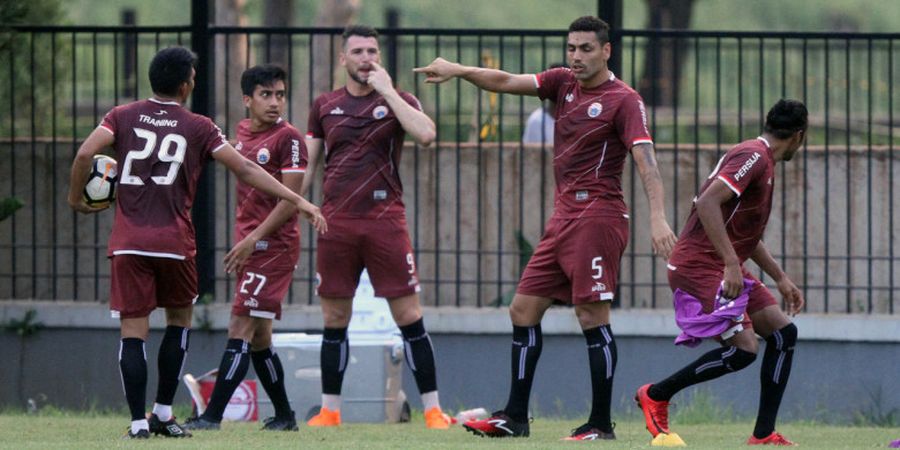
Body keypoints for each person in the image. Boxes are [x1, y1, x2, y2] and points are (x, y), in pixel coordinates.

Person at [415, 16, 677, 440]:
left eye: (586, 48)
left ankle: (600, 424)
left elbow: (646, 160)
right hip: (562, 219)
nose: (576, 56)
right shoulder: (562, 83)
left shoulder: (624, 100)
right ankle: (515, 418)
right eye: (571, 47)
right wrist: (459, 70)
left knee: (592, 315)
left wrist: (659, 216)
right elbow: (503, 81)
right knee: (522, 309)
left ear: (606, 51)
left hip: (599, 216)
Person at [67, 47, 326, 440]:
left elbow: (87, 152)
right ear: (187, 84)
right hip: (174, 241)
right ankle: (165, 413)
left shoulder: (121, 115)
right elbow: (245, 168)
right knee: (178, 325)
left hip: (129, 241)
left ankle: (139, 424)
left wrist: (76, 200)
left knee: (133, 333)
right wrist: (299, 199)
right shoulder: (199, 126)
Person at [301, 25, 453, 430]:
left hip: (386, 223)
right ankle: (329, 411)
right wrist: (298, 204)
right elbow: (308, 166)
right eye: (357, 52)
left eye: (372, 51)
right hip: (337, 223)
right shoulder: (324, 105)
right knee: (335, 316)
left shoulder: (400, 99)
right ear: (343, 59)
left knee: (408, 314)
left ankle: (434, 411)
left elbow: (425, 134)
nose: (366, 58)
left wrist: (387, 91)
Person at [635, 99, 808, 446]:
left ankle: (763, 435)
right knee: (744, 349)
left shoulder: (760, 159)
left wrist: (780, 278)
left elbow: (744, 234)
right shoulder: (754, 158)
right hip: (699, 264)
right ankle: (656, 394)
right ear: (799, 136)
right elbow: (708, 203)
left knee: (783, 334)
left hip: (722, 262)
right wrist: (731, 264)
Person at [182, 65, 309, 432]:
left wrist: (253, 238)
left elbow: (291, 199)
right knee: (260, 337)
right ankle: (284, 416)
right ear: (247, 100)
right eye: (266, 95)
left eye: (280, 95)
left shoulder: (290, 139)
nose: (275, 102)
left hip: (274, 247)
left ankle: (211, 417)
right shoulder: (239, 134)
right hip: (251, 245)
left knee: (239, 326)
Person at [521, 63, 565, 144]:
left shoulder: (577, 117)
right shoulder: (536, 120)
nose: (555, 87)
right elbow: (529, 152)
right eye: (551, 82)